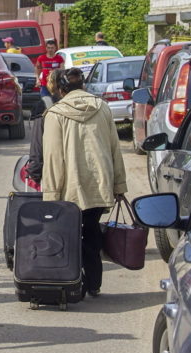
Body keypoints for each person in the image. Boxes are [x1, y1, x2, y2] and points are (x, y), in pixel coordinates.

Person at [41, 67, 127, 298]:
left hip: (69, 188)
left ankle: (73, 281)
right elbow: (114, 149)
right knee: (91, 231)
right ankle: (94, 283)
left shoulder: (55, 114)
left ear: (60, 89)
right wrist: (119, 185)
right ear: (83, 86)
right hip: (100, 184)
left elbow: (52, 158)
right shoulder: (103, 108)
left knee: (67, 235)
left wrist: (50, 195)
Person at [24, 68, 63, 191]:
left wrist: (34, 173)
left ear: (50, 84)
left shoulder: (44, 106)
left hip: (57, 173)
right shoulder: (89, 103)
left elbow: (38, 146)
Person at [34, 38, 64, 108]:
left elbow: (62, 70)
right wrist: (37, 79)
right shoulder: (41, 58)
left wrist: (56, 72)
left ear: (55, 48)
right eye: (48, 48)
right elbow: (37, 68)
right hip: (45, 85)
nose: (50, 50)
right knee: (45, 103)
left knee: (56, 103)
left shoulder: (59, 58)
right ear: (46, 48)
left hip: (56, 85)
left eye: (52, 48)